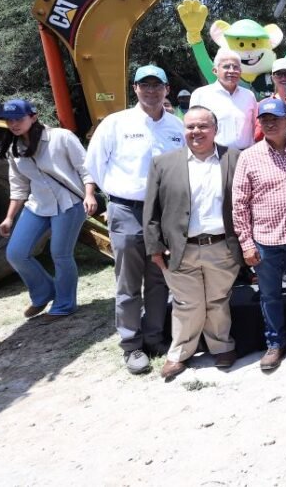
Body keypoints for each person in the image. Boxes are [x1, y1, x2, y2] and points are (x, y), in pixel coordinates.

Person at [85, 64, 184, 374]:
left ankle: (154, 337)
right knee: (128, 281)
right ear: (135, 89)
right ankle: (131, 345)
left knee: (158, 278)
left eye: (157, 85)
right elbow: (94, 164)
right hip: (127, 210)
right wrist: (115, 195)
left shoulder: (177, 127)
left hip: (163, 213)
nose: (151, 90)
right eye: (145, 85)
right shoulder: (116, 123)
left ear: (167, 89)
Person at [143, 106, 243, 380]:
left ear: (215, 130)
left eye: (203, 126)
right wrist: (154, 247)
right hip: (179, 249)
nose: (196, 132)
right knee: (187, 303)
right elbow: (151, 210)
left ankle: (222, 347)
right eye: (190, 127)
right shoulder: (163, 163)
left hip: (222, 247)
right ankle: (179, 354)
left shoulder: (234, 158)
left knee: (217, 300)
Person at [232, 98, 286, 372]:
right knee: (269, 295)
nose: (270, 124)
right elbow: (239, 203)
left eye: (276, 119)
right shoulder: (248, 156)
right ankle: (275, 343)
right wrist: (246, 243)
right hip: (265, 241)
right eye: (265, 120)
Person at [0, 99, 96, 320]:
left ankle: (65, 305)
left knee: (60, 254)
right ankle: (44, 293)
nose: (13, 124)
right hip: (38, 205)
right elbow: (19, 186)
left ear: (33, 117)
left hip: (69, 204)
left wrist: (89, 194)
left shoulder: (61, 137)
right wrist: (9, 218)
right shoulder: (14, 148)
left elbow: (86, 168)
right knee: (16, 253)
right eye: (9, 120)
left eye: (18, 119)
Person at [189, 49, 257, 150]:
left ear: (240, 71)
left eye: (236, 67)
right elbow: (192, 128)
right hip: (215, 154)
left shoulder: (249, 95)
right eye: (226, 67)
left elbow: (255, 125)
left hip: (246, 154)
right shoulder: (201, 95)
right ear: (215, 71)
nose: (231, 71)